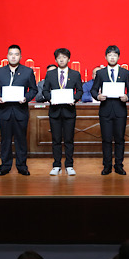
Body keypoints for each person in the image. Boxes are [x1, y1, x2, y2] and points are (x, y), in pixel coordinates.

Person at [0, 45, 38, 176]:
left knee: (21, 140)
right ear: (7, 56)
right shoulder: (0, 71)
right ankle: (5, 166)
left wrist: (26, 98)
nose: (13, 57)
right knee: (5, 140)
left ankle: (22, 166)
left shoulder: (28, 71)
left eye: (16, 54)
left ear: (20, 56)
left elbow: (34, 89)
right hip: (4, 111)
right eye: (11, 54)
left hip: (20, 111)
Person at [91, 45, 129, 175]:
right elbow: (93, 90)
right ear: (105, 57)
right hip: (105, 111)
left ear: (118, 57)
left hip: (120, 110)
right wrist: (98, 96)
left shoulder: (125, 73)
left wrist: (127, 97)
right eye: (110, 55)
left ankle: (119, 165)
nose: (112, 57)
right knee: (106, 139)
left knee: (120, 139)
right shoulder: (101, 73)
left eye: (115, 55)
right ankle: (107, 166)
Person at [42, 48, 83, 176]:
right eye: (59, 57)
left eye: (64, 57)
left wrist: (74, 99)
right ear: (55, 59)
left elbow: (80, 91)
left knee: (69, 139)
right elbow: (45, 90)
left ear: (69, 59)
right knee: (56, 139)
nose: (61, 59)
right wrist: (50, 99)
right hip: (54, 111)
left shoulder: (75, 74)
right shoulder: (50, 74)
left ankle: (69, 165)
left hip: (69, 111)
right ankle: (56, 165)